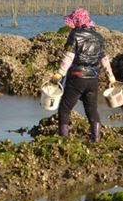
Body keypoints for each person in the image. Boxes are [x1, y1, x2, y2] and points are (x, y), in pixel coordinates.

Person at [50, 8, 116, 143]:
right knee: (92, 110)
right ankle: (96, 139)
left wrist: (59, 74)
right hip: (93, 79)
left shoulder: (74, 35)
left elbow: (69, 57)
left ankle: (64, 140)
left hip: (77, 77)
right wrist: (111, 77)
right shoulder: (98, 37)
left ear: (76, 21)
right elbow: (104, 58)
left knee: (64, 108)